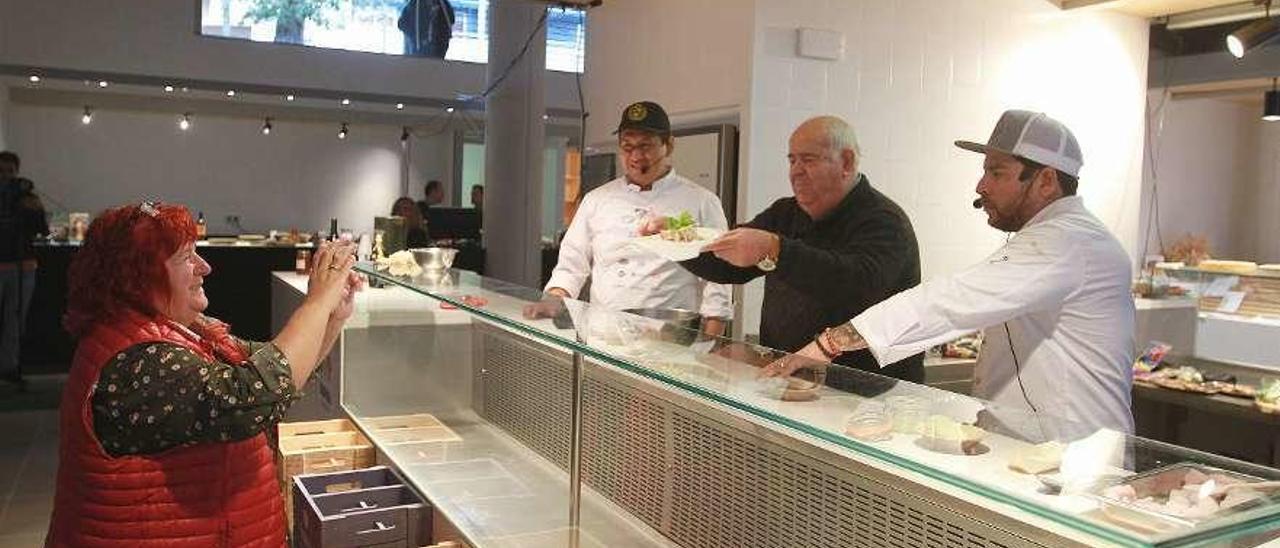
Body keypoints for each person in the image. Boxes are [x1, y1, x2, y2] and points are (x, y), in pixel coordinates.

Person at [772, 110, 1137, 435]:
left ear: (1045, 180)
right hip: (1030, 445)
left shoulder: (1068, 241)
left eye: (996, 173)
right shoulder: (1050, 239)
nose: (981, 186)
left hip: (1072, 454)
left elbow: (953, 297)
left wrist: (829, 343)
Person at [46, 201, 363, 546]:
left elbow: (278, 370)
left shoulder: (170, 330)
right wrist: (317, 302)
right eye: (186, 257)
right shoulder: (139, 361)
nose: (205, 267)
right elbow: (259, 393)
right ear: (140, 275)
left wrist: (331, 316)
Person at [666, 116, 923, 387]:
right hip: (789, 379)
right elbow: (726, 266)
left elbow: (855, 284)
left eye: (808, 160)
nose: (795, 171)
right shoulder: (785, 213)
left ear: (846, 162)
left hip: (866, 392)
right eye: (792, 160)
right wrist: (674, 240)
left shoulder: (885, 221)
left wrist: (776, 250)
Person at [529, 101, 732, 335]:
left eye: (646, 146)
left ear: (669, 145)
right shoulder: (597, 200)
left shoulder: (702, 201)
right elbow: (572, 263)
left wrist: (712, 340)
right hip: (604, 333)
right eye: (627, 147)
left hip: (670, 336)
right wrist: (553, 299)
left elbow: (719, 277)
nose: (636, 156)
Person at [0, 151, 48, 391]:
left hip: (23, 266)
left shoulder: (26, 196)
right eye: (2, 172)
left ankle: (10, 367)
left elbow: (42, 229)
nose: (6, 177)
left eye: (10, 171)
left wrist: (34, 207)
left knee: (15, 320)